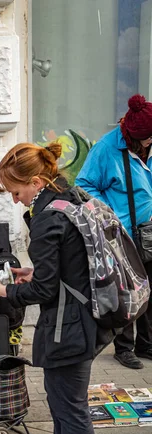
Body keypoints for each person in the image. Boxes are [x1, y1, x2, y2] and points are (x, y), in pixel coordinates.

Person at [0, 141, 106, 434]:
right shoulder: (71, 198)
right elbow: (69, 267)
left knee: (69, 403)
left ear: (37, 182)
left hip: (68, 323)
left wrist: (6, 291)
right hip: (81, 314)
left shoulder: (49, 216)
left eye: (16, 192)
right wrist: (33, 271)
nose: (16, 200)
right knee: (59, 395)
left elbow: (46, 288)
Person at [76, 94, 152, 370]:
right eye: (147, 139)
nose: (150, 143)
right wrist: (112, 214)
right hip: (124, 233)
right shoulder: (107, 148)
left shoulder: (147, 143)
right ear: (134, 136)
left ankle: (147, 343)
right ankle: (125, 347)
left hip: (150, 231)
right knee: (130, 289)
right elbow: (84, 184)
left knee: (149, 289)